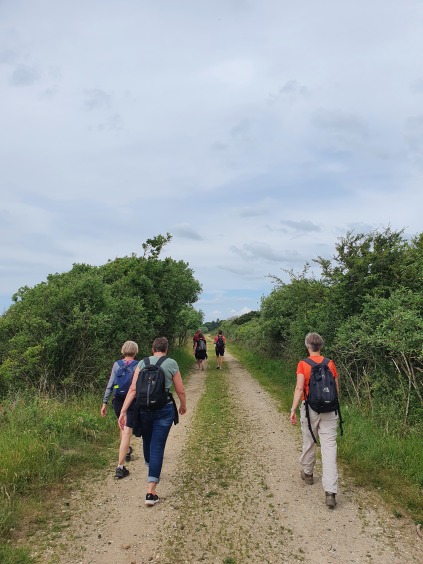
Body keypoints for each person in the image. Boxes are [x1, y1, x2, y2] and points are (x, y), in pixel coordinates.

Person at [118, 337, 187, 506]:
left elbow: (133, 389)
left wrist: (123, 410)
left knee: (148, 440)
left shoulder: (142, 363)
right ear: (166, 349)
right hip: (164, 410)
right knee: (158, 446)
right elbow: (180, 389)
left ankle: (151, 465)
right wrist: (183, 405)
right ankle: (151, 492)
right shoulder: (171, 363)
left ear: (152, 348)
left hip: (143, 409)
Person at [290, 332, 340, 508]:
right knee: (329, 448)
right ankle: (330, 492)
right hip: (330, 409)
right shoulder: (330, 363)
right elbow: (336, 388)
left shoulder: (303, 364)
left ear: (307, 346)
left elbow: (298, 388)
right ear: (321, 346)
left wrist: (293, 409)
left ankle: (308, 474)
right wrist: (332, 405)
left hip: (310, 408)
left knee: (309, 440)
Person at [101, 340, 139, 479]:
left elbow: (110, 384)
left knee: (122, 427)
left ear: (123, 350)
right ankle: (120, 467)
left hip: (117, 401)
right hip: (131, 401)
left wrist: (104, 402)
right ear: (135, 351)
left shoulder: (117, 365)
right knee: (127, 431)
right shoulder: (138, 365)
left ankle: (127, 450)